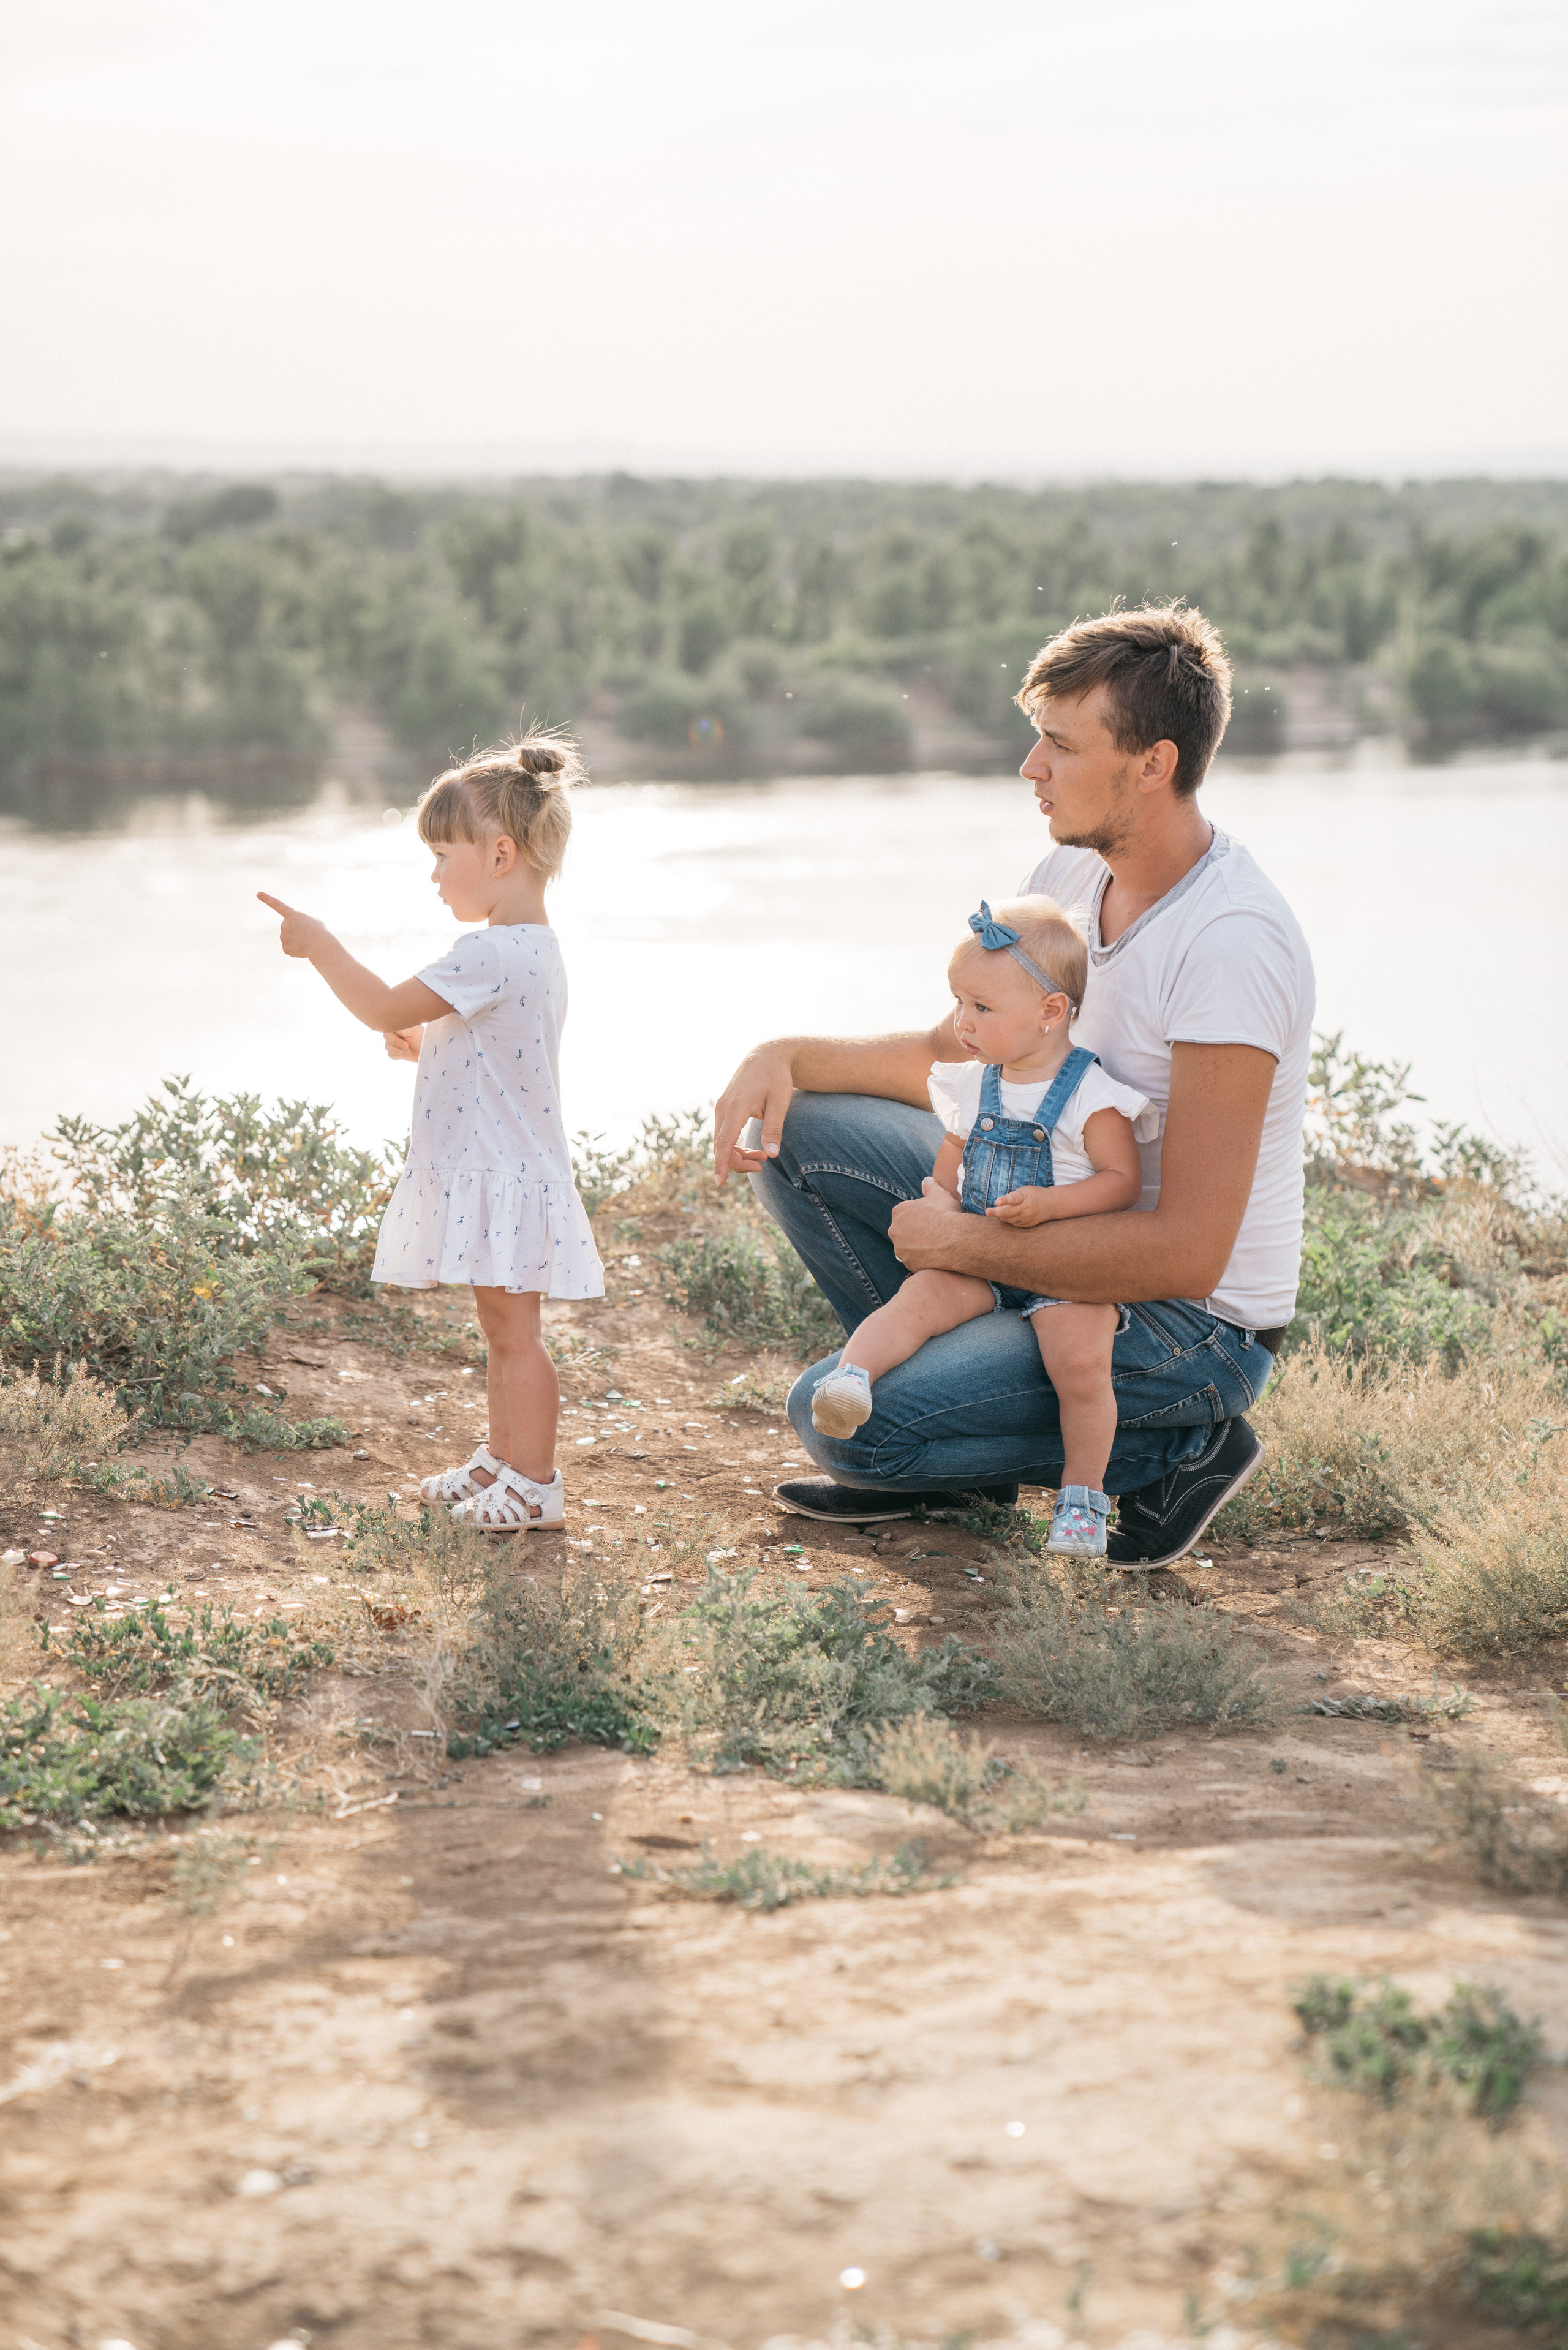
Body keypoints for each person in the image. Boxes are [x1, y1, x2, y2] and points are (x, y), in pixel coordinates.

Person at [712, 601, 1315, 1569]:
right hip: (1043, 1223)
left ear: (1153, 763)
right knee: (807, 1133)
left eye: (1060, 747)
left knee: (840, 1427)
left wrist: (969, 1241)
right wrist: (787, 1054)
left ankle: (1174, 1451)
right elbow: (969, 1055)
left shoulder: (1230, 946)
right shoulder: (1070, 876)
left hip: (1183, 1325)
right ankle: (956, 1447)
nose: (1031, 769)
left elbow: (1190, 1253)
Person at [257, 731, 602, 1534]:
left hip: (505, 1174)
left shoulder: (490, 951)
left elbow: (380, 1004)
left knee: (517, 1336)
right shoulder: (528, 950)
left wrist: (319, 946)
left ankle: (537, 1483)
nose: (435, 873)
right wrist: (429, 1041)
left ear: (502, 855)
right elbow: (496, 1051)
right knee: (502, 1327)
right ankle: (503, 1458)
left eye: (445, 854)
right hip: (506, 1170)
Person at [809, 894, 1156, 1557]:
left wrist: (1052, 1206)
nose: (961, 1022)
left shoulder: (1091, 1094)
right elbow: (949, 1166)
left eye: (981, 1008)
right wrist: (941, 1208)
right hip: (982, 1253)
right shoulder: (975, 1084)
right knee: (921, 1300)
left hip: (1065, 1266)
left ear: (1052, 1013)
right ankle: (851, 1379)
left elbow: (1121, 1183)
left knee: (1080, 1367)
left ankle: (1082, 1503)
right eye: (958, 1001)